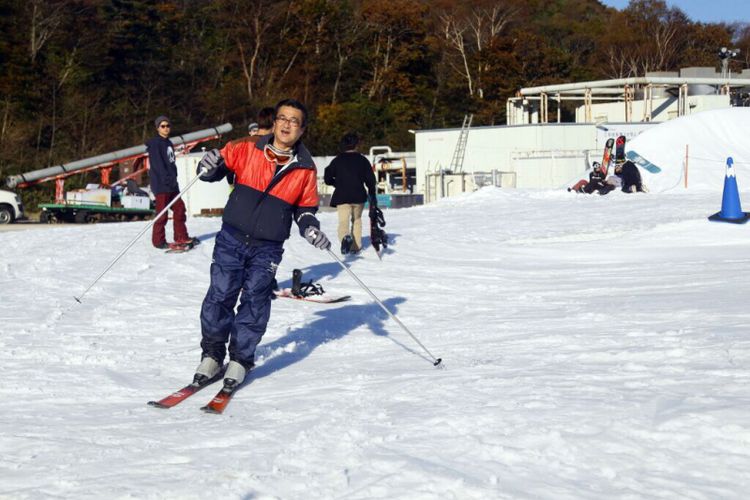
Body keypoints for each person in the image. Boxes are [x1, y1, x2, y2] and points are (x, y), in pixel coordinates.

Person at [192, 98, 331, 390]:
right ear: (275, 122)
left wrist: (310, 228)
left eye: (295, 121)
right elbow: (216, 168)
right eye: (283, 118)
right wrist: (209, 164)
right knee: (220, 295)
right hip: (231, 237)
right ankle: (213, 354)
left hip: (268, 246)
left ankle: (241, 359)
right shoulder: (246, 148)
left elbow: (305, 208)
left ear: (302, 129)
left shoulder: (305, 168)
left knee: (255, 301)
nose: (287, 125)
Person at [146, 115, 195, 249]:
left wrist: (174, 180)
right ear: (157, 128)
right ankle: (158, 241)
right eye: (163, 126)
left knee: (180, 209)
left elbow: (171, 163)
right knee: (162, 214)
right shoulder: (155, 144)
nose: (166, 128)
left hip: (172, 185)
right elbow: (158, 165)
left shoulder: (168, 142)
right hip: (162, 185)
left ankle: (181, 236)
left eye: (168, 126)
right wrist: (166, 180)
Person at [324, 132, 378, 254]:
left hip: (342, 196)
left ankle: (345, 237)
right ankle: (356, 246)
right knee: (357, 220)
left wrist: (336, 183)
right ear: (356, 145)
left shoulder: (337, 161)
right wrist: (372, 194)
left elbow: (327, 178)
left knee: (343, 221)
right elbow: (370, 180)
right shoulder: (362, 160)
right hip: (359, 196)